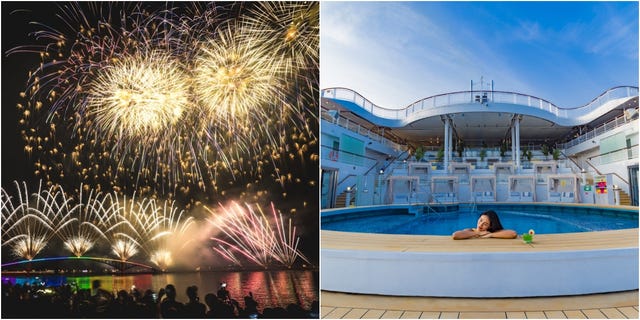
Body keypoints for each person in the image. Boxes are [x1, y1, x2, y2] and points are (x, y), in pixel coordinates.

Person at [452, 210, 517, 240]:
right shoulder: (470, 230)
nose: (480, 225)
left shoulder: (491, 232)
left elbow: (513, 233)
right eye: (480, 220)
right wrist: (478, 233)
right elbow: (455, 235)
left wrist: (490, 235)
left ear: (490, 226)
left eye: (485, 224)